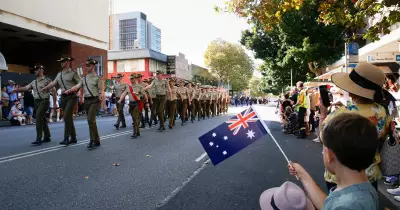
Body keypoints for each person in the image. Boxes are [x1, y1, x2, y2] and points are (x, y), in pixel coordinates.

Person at [321, 63, 392, 191]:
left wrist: (322, 114)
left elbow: (323, 137)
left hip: (341, 174)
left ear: (352, 90)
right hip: (369, 172)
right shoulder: (382, 111)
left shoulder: (340, 113)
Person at [289, 113, 379, 210]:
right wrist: (302, 175)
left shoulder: (348, 205)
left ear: (329, 154)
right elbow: (328, 206)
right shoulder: (363, 189)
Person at [42, 55, 81, 145]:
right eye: (61, 62)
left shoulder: (73, 73)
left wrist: (77, 91)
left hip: (72, 96)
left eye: (63, 62)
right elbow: (54, 83)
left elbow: (80, 83)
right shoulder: (59, 74)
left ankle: (66, 138)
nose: (62, 63)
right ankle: (74, 138)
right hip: (63, 98)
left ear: (67, 62)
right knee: (68, 118)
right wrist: (45, 88)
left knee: (66, 116)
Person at [64, 59, 103, 149]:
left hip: (94, 100)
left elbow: (101, 90)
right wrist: (69, 90)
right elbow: (77, 86)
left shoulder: (97, 78)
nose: (87, 67)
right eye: (86, 65)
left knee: (90, 120)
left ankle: (92, 140)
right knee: (91, 121)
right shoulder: (84, 78)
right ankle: (97, 139)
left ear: (93, 66)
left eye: (89, 65)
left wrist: (102, 100)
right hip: (87, 101)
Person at [14, 64, 57, 144]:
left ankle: (39, 138)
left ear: (41, 70)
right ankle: (47, 136)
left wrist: (54, 103)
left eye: (37, 69)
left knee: (38, 117)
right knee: (42, 119)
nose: (35, 71)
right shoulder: (34, 82)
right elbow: (26, 88)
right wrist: (17, 90)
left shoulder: (47, 80)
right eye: (34, 70)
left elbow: (54, 91)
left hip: (44, 101)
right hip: (37, 102)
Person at [119, 74, 149, 138]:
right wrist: (120, 99)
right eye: (131, 79)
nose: (131, 80)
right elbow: (123, 94)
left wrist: (146, 102)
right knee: (133, 118)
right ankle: (138, 132)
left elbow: (145, 95)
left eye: (132, 79)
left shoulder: (139, 86)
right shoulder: (129, 87)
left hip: (137, 103)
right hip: (131, 104)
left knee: (135, 118)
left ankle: (135, 133)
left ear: (135, 79)